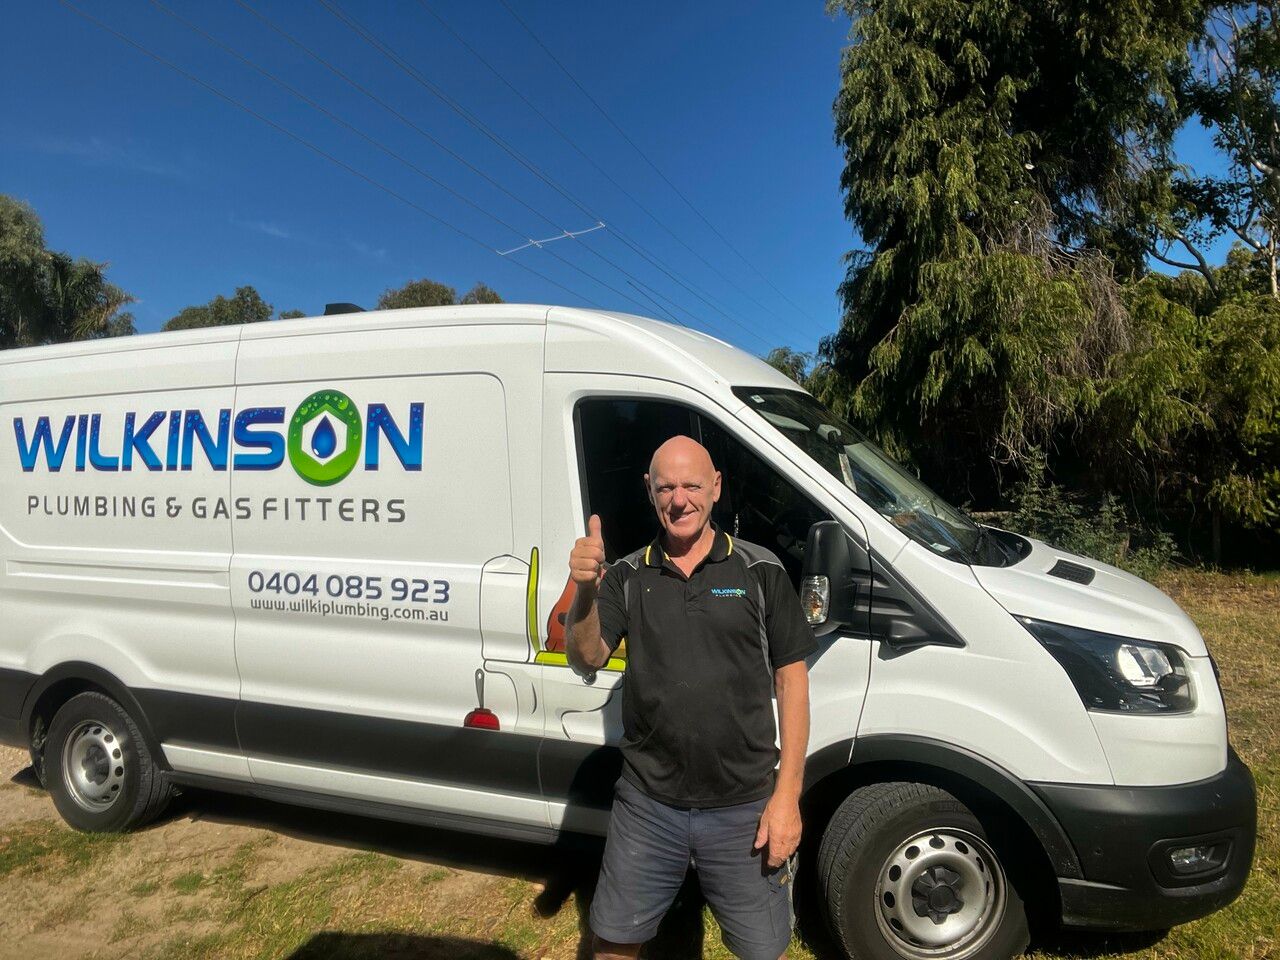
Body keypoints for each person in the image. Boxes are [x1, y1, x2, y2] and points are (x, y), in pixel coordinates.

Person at [566, 434, 817, 960]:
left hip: (745, 805)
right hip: (648, 803)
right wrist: (586, 589)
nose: (679, 500)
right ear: (649, 491)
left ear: (716, 488)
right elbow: (586, 656)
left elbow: (791, 679)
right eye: (666, 487)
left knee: (761, 950)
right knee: (613, 941)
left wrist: (787, 795)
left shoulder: (760, 570)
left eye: (691, 485)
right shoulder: (629, 576)